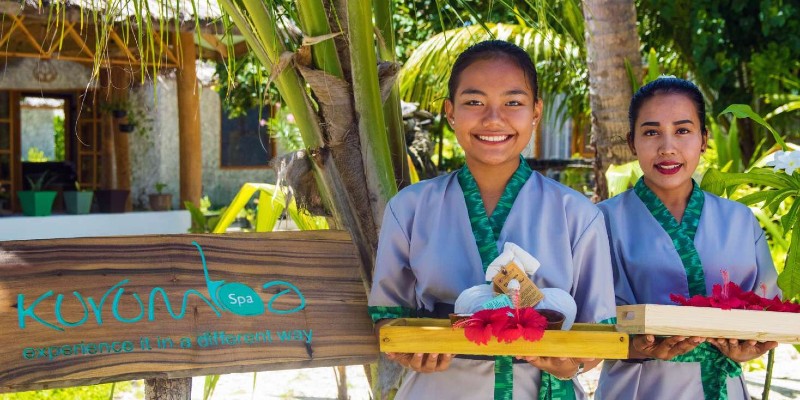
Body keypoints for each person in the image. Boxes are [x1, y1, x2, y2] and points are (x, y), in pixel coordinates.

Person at [368, 40, 616, 399]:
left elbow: (599, 332)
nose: (493, 118)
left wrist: (570, 364)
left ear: (536, 112)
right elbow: (388, 316)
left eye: (513, 102)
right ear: (450, 112)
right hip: (441, 388)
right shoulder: (409, 208)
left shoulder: (577, 214)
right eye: (474, 102)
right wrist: (411, 350)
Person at [595, 77, 780, 400]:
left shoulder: (739, 220)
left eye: (683, 130)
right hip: (639, 388)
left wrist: (750, 347)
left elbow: (766, 308)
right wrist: (639, 347)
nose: (668, 147)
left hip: (723, 386)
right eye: (651, 132)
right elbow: (587, 319)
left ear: (704, 139)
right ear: (632, 142)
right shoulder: (600, 220)